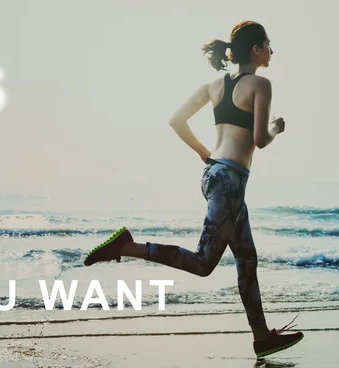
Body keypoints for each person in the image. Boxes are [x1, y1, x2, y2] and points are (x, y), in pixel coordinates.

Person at [83, 20, 304, 358]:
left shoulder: (214, 85)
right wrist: (275, 128)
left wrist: (204, 152)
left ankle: (262, 337)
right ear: (256, 49)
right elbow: (259, 140)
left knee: (246, 257)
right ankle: (127, 247)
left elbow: (176, 120)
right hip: (230, 181)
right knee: (204, 263)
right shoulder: (261, 84)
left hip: (216, 175)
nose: (272, 51)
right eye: (269, 44)